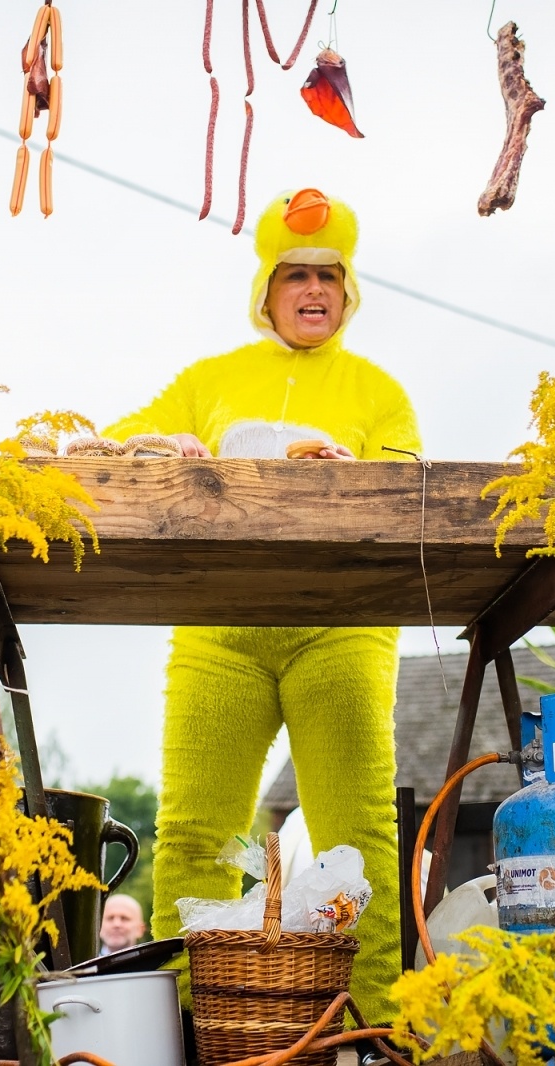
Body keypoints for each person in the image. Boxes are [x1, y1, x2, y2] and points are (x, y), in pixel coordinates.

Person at [104, 188, 418, 1022]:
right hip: (220, 634)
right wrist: (158, 442)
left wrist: (346, 464)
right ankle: (185, 1031)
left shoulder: (379, 391)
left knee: (361, 842)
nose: (314, 291)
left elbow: (408, 490)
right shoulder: (208, 381)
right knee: (193, 839)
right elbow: (111, 440)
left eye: (330, 276)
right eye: (295, 276)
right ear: (265, 289)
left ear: (349, 293)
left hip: (341, 629)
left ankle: (372, 1032)